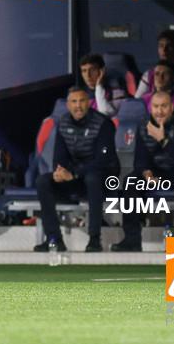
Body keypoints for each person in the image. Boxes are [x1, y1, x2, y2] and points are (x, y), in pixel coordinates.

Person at [111, 91, 174, 252]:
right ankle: (132, 239)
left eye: (164, 106)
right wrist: (146, 173)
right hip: (157, 172)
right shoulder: (144, 124)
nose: (159, 111)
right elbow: (139, 159)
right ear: (150, 108)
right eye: (156, 106)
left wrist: (163, 139)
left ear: (172, 107)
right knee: (131, 182)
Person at [34, 87, 120, 252]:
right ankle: (54, 239)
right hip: (75, 179)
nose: (78, 106)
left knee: (92, 178)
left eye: (81, 101)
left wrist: (74, 174)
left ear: (89, 103)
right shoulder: (63, 123)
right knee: (43, 181)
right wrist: (60, 173)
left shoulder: (104, 124)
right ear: (68, 105)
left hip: (103, 179)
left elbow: (102, 161)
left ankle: (94, 239)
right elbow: (59, 157)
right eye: (74, 101)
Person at [135, 29, 174, 98]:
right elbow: (137, 101)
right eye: (161, 46)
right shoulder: (148, 75)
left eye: (169, 46)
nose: (164, 50)